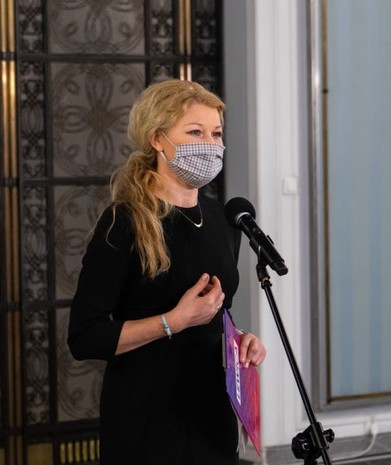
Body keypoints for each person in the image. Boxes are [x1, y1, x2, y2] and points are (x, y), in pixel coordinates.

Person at [67, 79, 267, 465]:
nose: (210, 145)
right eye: (195, 132)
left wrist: (240, 339)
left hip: (212, 415)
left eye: (216, 134)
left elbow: (217, 313)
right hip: (147, 419)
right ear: (158, 139)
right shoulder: (123, 222)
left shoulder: (221, 219)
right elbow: (84, 337)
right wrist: (173, 321)